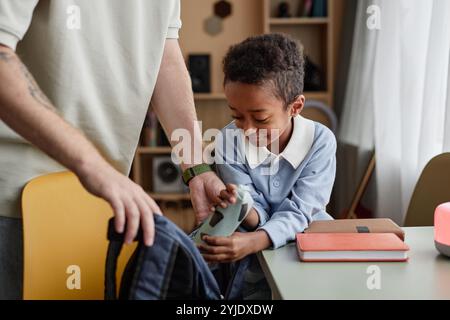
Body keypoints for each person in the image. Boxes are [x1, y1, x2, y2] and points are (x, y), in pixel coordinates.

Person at [0, 0, 224, 300]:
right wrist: (94, 166)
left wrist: (196, 167)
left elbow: (164, 56)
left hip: (103, 196)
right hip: (15, 197)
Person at [197, 34, 337, 299]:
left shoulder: (320, 141)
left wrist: (255, 241)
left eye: (260, 118)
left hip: (306, 248)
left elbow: (302, 211)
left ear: (295, 106)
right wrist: (239, 205)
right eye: (236, 116)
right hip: (250, 257)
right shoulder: (228, 139)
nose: (247, 129)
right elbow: (253, 209)